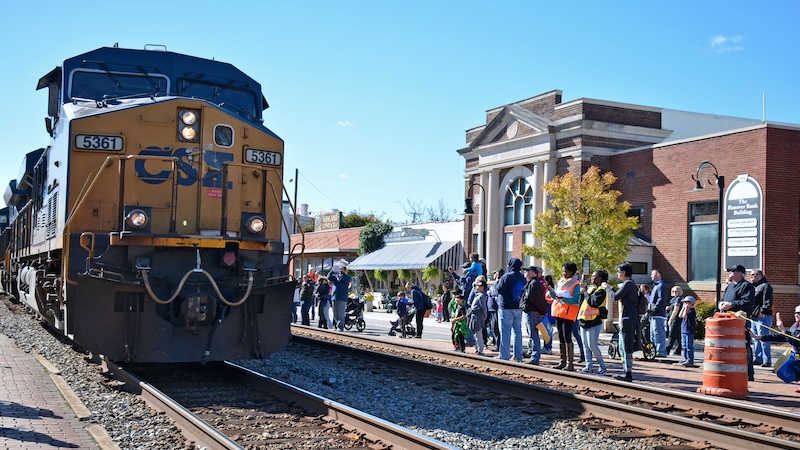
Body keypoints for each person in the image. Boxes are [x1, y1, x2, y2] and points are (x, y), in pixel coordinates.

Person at [719, 264, 755, 381]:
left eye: (733, 271)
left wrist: (732, 304)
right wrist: (721, 304)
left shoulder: (747, 286)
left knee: (743, 346)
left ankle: (748, 372)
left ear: (740, 273)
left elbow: (748, 302)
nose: (730, 273)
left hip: (740, 322)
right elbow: (724, 299)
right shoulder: (729, 287)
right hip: (727, 321)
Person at [752, 305, 800, 389]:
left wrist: (783, 329)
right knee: (783, 370)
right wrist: (759, 337)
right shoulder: (795, 326)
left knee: (795, 367)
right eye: (795, 312)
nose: (796, 315)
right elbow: (781, 337)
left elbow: (795, 340)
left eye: (799, 313)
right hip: (797, 355)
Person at [611, 263, 639, 381]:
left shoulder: (628, 284)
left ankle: (628, 374)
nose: (617, 273)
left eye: (618, 271)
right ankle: (626, 371)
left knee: (626, 346)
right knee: (622, 347)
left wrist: (608, 288)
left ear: (623, 273)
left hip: (628, 318)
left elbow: (615, 296)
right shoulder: (629, 284)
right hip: (627, 318)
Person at [552, 262, 582, 371]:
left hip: (568, 313)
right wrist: (552, 293)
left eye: (566, 271)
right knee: (561, 336)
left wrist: (562, 299)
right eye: (563, 270)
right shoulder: (561, 282)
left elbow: (575, 300)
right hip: (559, 312)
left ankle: (570, 363)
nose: (564, 273)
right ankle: (562, 361)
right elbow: (555, 295)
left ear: (572, 272)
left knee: (567, 337)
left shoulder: (576, 284)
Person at [578, 270, 608, 375]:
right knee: (585, 345)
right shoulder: (591, 289)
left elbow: (593, 303)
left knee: (593, 346)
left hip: (594, 321)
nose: (592, 278)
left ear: (600, 278)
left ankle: (602, 366)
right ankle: (588, 366)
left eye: (595, 277)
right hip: (584, 320)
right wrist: (583, 291)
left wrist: (585, 292)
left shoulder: (601, 291)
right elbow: (583, 301)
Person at [495, 258, 526, 361]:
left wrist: (497, 281)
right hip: (518, 307)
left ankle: (504, 356)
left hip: (506, 307)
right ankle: (518, 356)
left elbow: (499, 290)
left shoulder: (506, 276)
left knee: (505, 332)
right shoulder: (522, 277)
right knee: (518, 332)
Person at [520, 266, 547, 365]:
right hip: (530, 311)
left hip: (533, 312)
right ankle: (532, 353)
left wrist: (541, 311)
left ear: (533, 273)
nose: (525, 272)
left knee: (534, 335)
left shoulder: (534, 284)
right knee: (532, 334)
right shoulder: (531, 283)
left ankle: (535, 357)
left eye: (527, 271)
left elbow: (537, 300)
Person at [749, 269, 774, 367]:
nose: (751, 277)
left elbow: (767, 301)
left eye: (753, 275)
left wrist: (762, 312)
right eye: (750, 275)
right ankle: (758, 358)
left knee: (763, 339)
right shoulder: (753, 287)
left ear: (760, 275)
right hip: (753, 317)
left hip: (763, 317)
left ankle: (766, 360)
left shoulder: (765, 286)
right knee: (755, 339)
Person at [649, 269, 669, 357]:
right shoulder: (655, 286)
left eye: (652, 274)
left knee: (659, 333)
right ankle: (655, 350)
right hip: (653, 314)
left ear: (657, 274)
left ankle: (661, 351)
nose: (651, 276)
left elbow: (661, 299)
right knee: (653, 333)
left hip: (658, 314)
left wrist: (655, 309)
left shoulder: (661, 285)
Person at [328, 261, 353, 332]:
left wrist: (343, 273)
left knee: (340, 313)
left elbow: (349, 279)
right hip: (334, 297)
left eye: (341, 269)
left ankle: (341, 327)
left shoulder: (346, 278)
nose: (340, 270)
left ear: (344, 270)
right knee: (335, 313)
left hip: (342, 298)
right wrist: (332, 271)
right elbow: (329, 277)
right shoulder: (335, 277)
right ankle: (337, 325)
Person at [469, 276, 489, 355]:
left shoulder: (481, 296)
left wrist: (484, 316)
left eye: (478, 286)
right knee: (475, 333)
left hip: (478, 315)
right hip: (474, 315)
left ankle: (480, 350)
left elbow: (484, 308)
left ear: (482, 287)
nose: (476, 287)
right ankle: (477, 348)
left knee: (478, 334)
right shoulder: (477, 295)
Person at [677, 295, 697, 367]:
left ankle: (690, 360)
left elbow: (685, 315)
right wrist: (683, 308)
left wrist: (685, 309)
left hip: (689, 330)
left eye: (687, 302)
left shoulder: (692, 311)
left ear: (691, 303)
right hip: (684, 329)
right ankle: (686, 358)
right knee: (684, 345)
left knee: (689, 346)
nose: (685, 304)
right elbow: (680, 316)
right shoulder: (686, 310)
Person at [665, 286, 684, 355]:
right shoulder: (674, 299)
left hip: (676, 319)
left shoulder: (678, 299)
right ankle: (678, 350)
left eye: (676, 291)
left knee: (672, 334)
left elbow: (676, 309)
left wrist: (671, 319)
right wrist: (669, 307)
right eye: (673, 291)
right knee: (677, 334)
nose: (674, 293)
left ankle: (667, 349)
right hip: (676, 319)